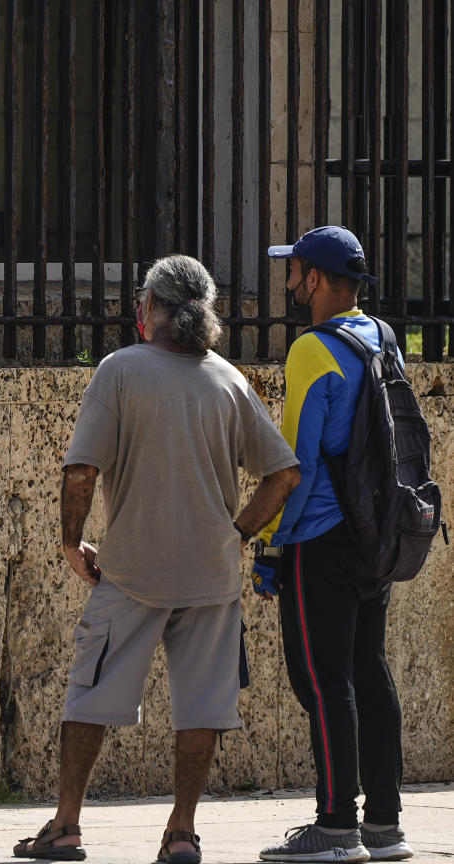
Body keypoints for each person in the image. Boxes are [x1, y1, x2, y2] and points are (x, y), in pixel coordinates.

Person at [13, 255, 301, 863]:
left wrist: (72, 541)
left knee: (88, 695)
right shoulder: (228, 379)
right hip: (211, 575)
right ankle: (181, 832)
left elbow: (81, 468)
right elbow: (283, 474)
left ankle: (66, 825)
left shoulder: (120, 370)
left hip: (132, 570)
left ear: (150, 308)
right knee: (202, 705)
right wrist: (237, 535)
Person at [255, 227, 413, 863]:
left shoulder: (310, 352)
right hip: (376, 534)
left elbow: (296, 465)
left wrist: (269, 542)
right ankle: (384, 823)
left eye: (294, 270)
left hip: (318, 536)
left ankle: (334, 824)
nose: (290, 281)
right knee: (369, 670)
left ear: (315, 280)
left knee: (323, 678)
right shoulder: (384, 337)